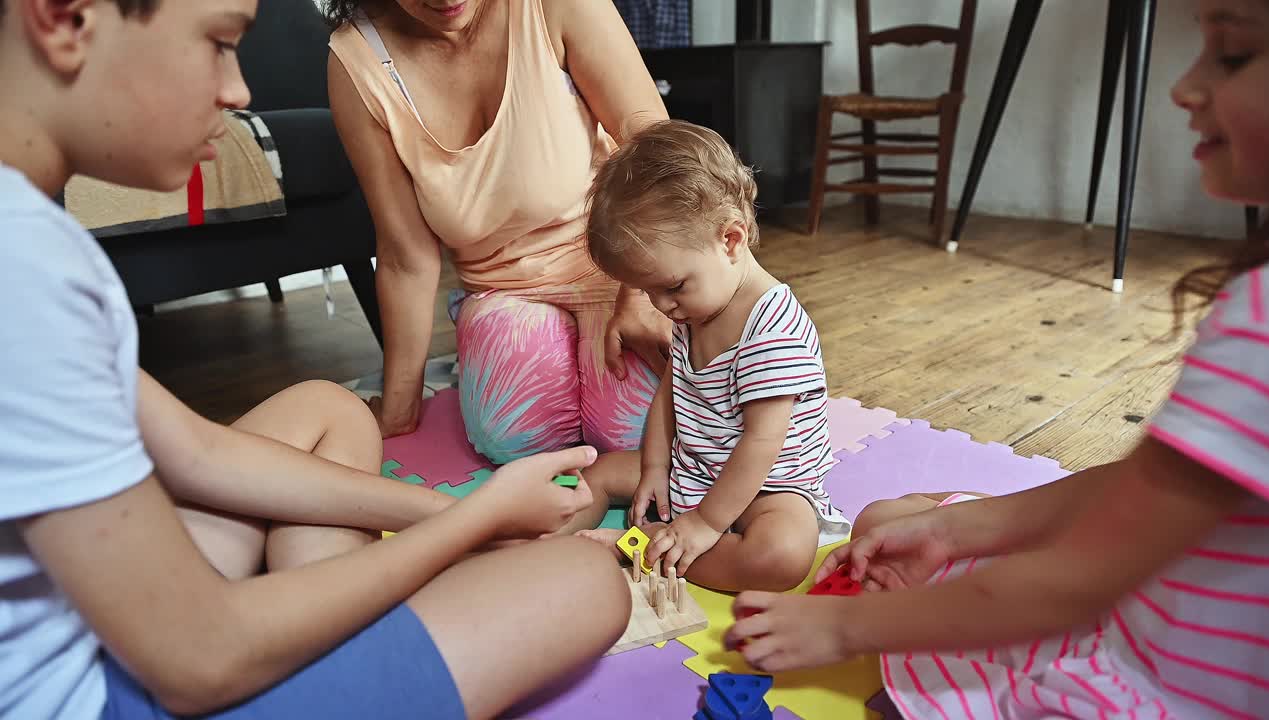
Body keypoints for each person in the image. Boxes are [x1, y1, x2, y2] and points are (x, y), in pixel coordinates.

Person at [0, 1, 629, 718]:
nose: (238, 90)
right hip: (108, 688)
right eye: (218, 43)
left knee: (329, 409)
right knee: (589, 583)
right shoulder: (24, 276)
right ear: (64, 17)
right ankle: (347, 638)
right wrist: (471, 525)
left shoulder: (30, 240)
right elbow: (200, 659)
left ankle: (337, 620)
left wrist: (466, 514)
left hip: (92, 620)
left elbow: (194, 451)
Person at [723, 2, 1269, 716]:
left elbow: (1077, 581)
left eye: (1232, 55)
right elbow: (1145, 491)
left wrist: (839, 627)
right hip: (1168, 607)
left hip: (1172, 679)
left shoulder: (1266, 318)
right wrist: (949, 530)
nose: (1184, 86)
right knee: (887, 525)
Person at [325, 0, 672, 464]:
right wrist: (399, 410)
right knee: (510, 437)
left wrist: (641, 293)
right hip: (506, 290)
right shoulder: (359, 63)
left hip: (618, 263)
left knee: (640, 434)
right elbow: (405, 254)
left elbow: (656, 152)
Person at [573, 121, 852, 592]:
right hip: (694, 465)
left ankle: (635, 546)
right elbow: (670, 392)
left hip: (767, 487)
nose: (661, 306)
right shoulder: (695, 308)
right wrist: (657, 467)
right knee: (597, 472)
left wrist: (704, 523)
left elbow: (761, 446)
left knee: (780, 557)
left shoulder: (772, 331)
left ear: (731, 240)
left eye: (673, 286)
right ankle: (543, 546)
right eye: (647, 291)